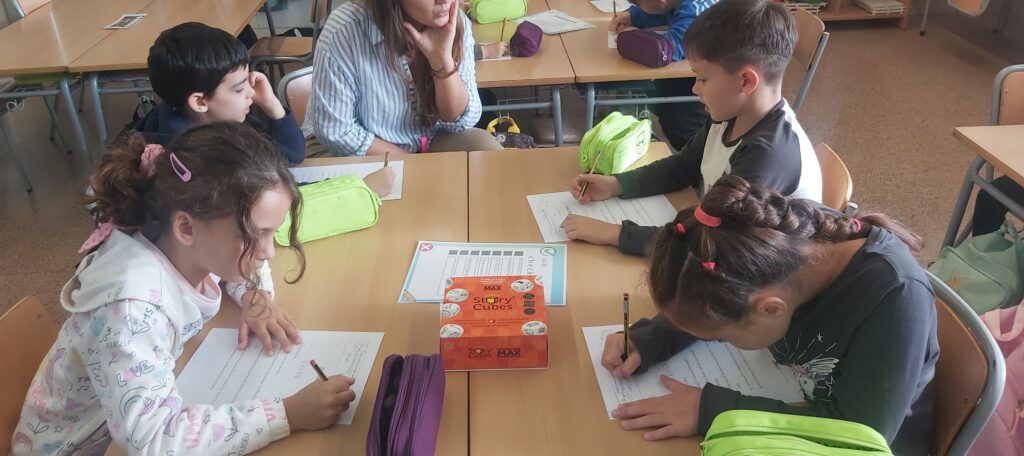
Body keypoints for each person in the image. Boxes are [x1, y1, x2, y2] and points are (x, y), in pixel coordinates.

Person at [11, 123, 355, 455]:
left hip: (127, 416)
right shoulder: (131, 311)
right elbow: (154, 442)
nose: (268, 252)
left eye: (273, 232)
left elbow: (245, 262)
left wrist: (255, 295)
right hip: (85, 446)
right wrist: (287, 415)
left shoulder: (176, 241)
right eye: (256, 235)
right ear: (187, 227)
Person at [602, 176, 937, 455]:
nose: (718, 340)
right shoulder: (779, 244)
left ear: (770, 308)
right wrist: (652, 337)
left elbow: (855, 436)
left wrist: (713, 410)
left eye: (719, 338)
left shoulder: (896, 297)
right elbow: (711, 291)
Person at [564, 0, 821, 256]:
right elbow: (685, 165)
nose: (695, 88)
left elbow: (713, 243)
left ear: (745, 81)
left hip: (751, 265)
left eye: (703, 78)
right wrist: (617, 185)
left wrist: (616, 234)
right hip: (723, 244)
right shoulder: (732, 112)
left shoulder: (767, 157)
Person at [303, 0, 503, 157]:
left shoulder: (455, 20)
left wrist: (441, 61)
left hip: (425, 140)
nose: (445, 1)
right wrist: (411, 165)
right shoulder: (344, 30)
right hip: (351, 147)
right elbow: (337, 131)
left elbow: (462, 120)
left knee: (484, 150)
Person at [610, 0, 718, 149]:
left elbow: (665, 52)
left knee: (678, 124)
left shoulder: (695, 14)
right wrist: (633, 15)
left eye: (639, 4)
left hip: (711, 85)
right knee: (653, 94)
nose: (639, 7)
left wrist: (632, 37)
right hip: (698, 75)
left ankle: (700, 156)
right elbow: (662, 13)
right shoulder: (679, 3)